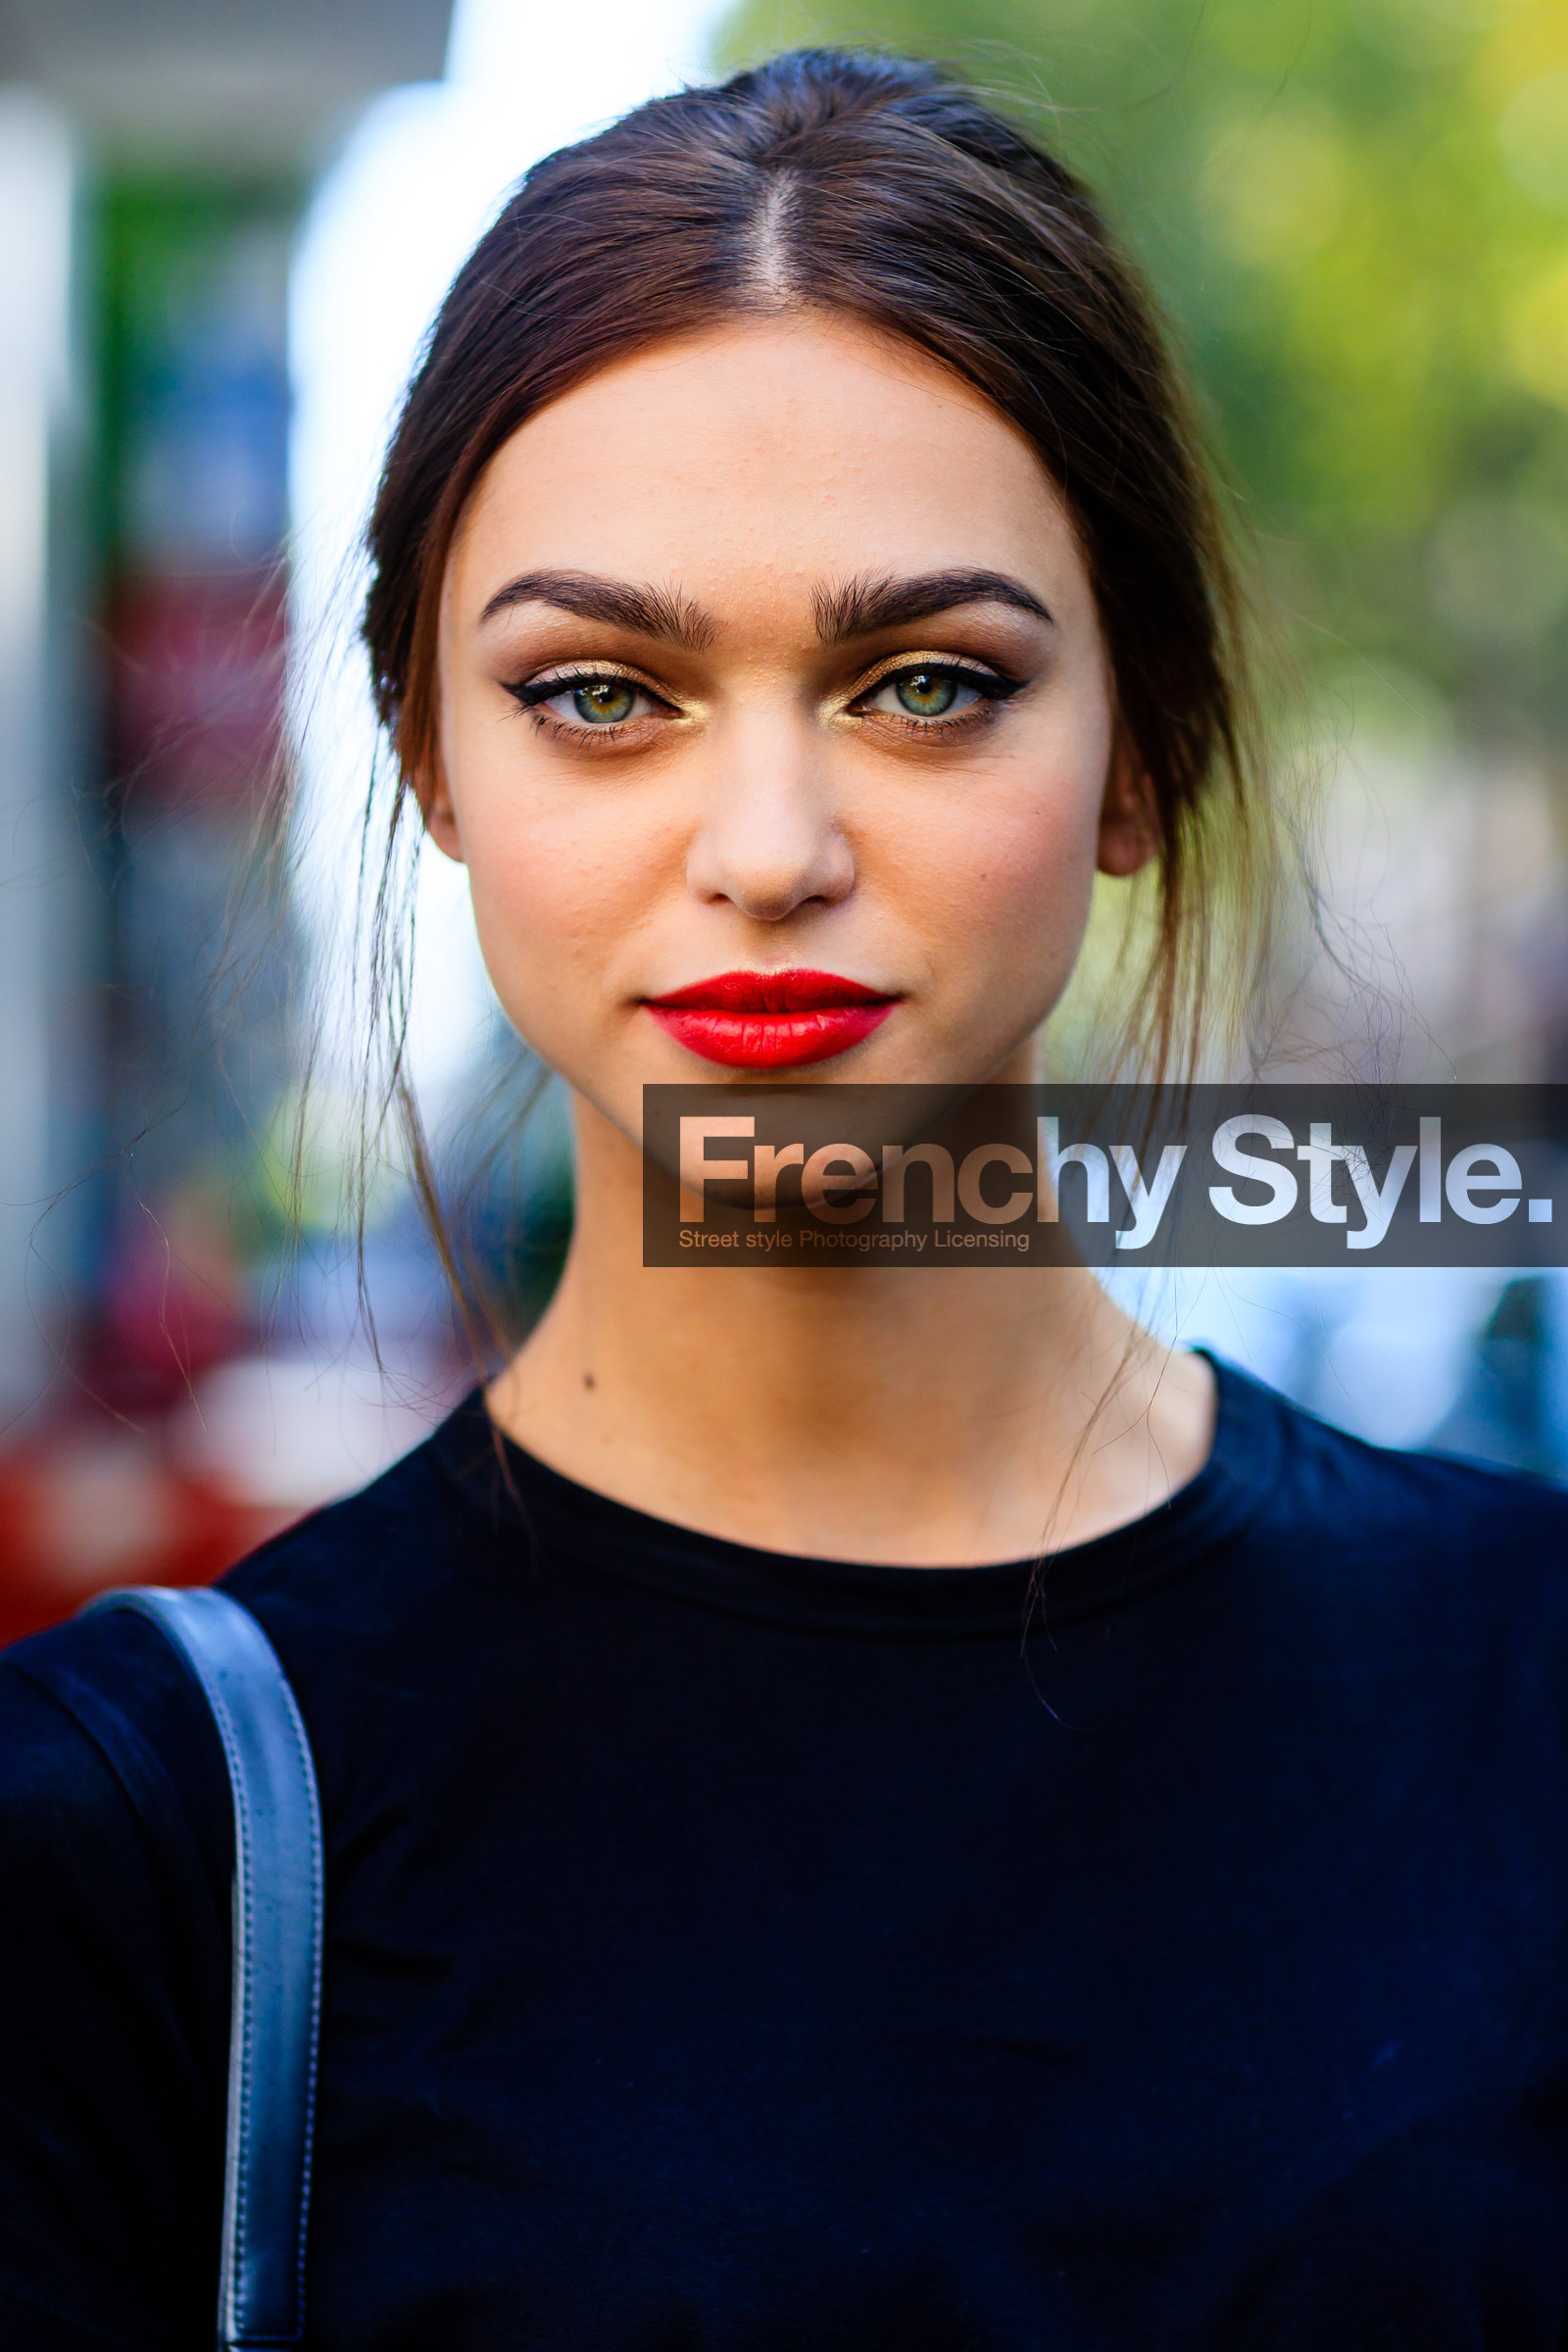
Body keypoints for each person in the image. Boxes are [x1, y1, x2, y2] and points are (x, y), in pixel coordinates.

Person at [3, 49, 1566, 2351]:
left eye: (923, 684)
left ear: (1136, 743)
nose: (763, 846)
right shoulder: (135, 1850)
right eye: (598, 693)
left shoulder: (1520, 1694)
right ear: (428, 763)